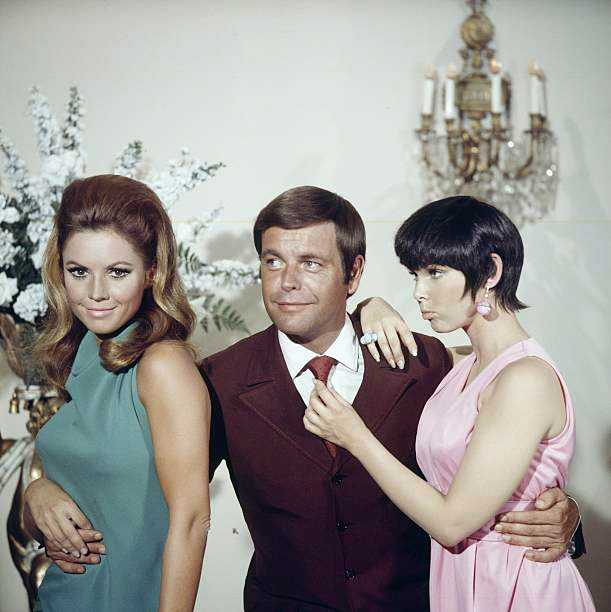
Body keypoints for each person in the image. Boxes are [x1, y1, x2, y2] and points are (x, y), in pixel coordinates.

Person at [43, 186, 579, 610]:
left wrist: (564, 516)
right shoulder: (218, 381)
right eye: (273, 262)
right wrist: (36, 496)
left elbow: (501, 449)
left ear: (354, 272)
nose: (287, 282)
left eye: (312, 263)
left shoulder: (426, 362)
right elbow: (142, 489)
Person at [305, 196, 595, 611]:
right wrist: (371, 304)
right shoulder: (462, 363)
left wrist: (355, 437)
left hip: (517, 585)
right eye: (415, 274)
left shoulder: (525, 380)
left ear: (491, 272)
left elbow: (451, 522)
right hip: (459, 581)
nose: (419, 293)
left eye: (435, 273)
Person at [23, 175, 211, 612]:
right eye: (79, 271)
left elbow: (191, 521)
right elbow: (74, 504)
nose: (96, 293)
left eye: (118, 272)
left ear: (152, 272)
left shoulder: (163, 365)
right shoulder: (84, 352)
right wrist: (37, 495)